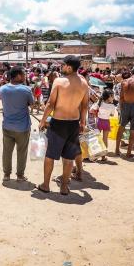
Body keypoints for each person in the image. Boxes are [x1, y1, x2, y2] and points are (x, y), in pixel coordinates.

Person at [37, 55, 89, 195]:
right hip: (74, 123)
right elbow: (85, 106)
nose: (61, 67)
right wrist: (83, 122)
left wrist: (43, 121)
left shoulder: (59, 81)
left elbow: (51, 104)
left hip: (58, 123)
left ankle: (46, 185)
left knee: (50, 155)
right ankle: (64, 187)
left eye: (63, 65)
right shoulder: (84, 83)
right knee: (68, 157)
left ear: (69, 67)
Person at [0, 66, 34, 181]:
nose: (25, 76)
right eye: (23, 74)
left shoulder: (2, 89)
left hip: (7, 125)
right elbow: (32, 105)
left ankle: (6, 175)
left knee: (7, 151)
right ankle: (20, 175)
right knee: (21, 152)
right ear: (18, 76)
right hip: (22, 127)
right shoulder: (26, 90)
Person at [116, 68, 134, 158]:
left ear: (131, 72)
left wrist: (121, 107)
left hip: (125, 105)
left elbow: (121, 96)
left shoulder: (124, 81)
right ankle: (128, 153)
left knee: (121, 126)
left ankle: (117, 149)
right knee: (133, 130)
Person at [92, 89, 116, 153]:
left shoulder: (100, 103)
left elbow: (93, 109)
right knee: (105, 139)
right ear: (109, 97)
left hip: (99, 121)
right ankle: (103, 156)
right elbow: (112, 115)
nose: (113, 98)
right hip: (106, 122)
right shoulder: (112, 106)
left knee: (97, 138)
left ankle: (96, 153)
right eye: (112, 96)